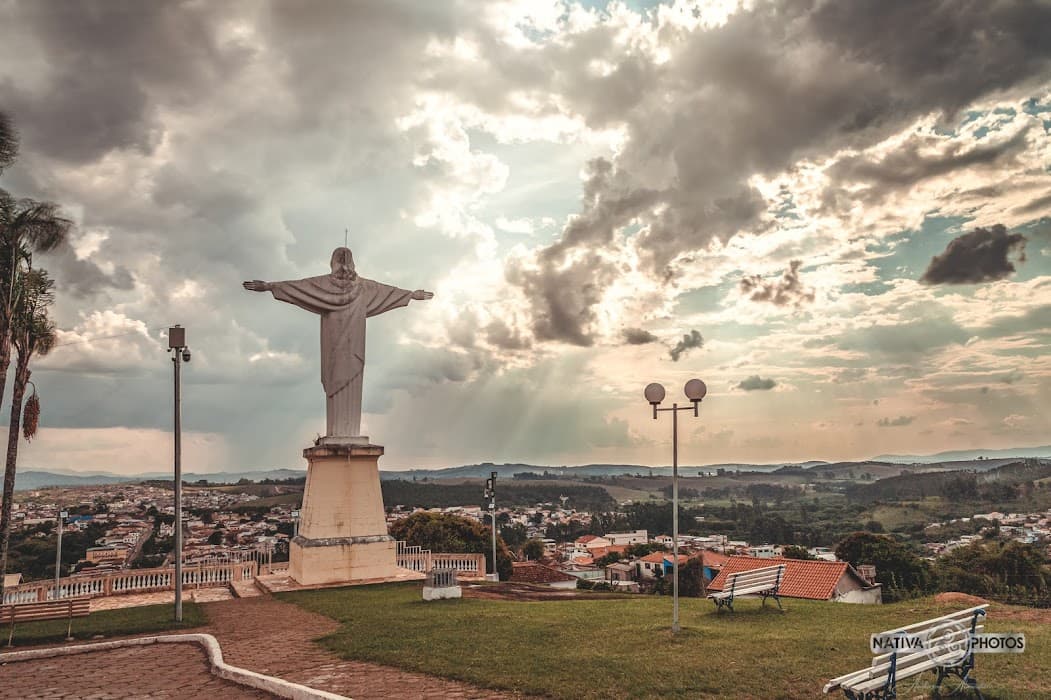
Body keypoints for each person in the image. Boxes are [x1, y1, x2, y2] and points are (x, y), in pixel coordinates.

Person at [243, 247, 433, 440]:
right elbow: (387, 292)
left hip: (344, 347)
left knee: (347, 385)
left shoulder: (333, 286)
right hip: (346, 348)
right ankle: (341, 433)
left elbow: (300, 287)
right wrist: (410, 295)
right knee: (342, 384)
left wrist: (269, 286)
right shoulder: (364, 288)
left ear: (332, 262)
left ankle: (347, 433)